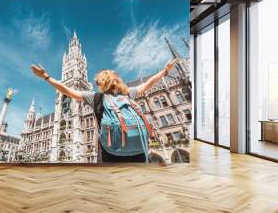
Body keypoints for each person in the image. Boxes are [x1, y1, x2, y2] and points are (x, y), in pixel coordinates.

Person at [30, 60, 176, 163]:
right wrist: (165, 71)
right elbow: (148, 84)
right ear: (118, 81)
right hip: (138, 150)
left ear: (101, 83)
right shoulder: (128, 93)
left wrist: (46, 77)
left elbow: (67, 91)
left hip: (111, 152)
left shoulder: (96, 97)